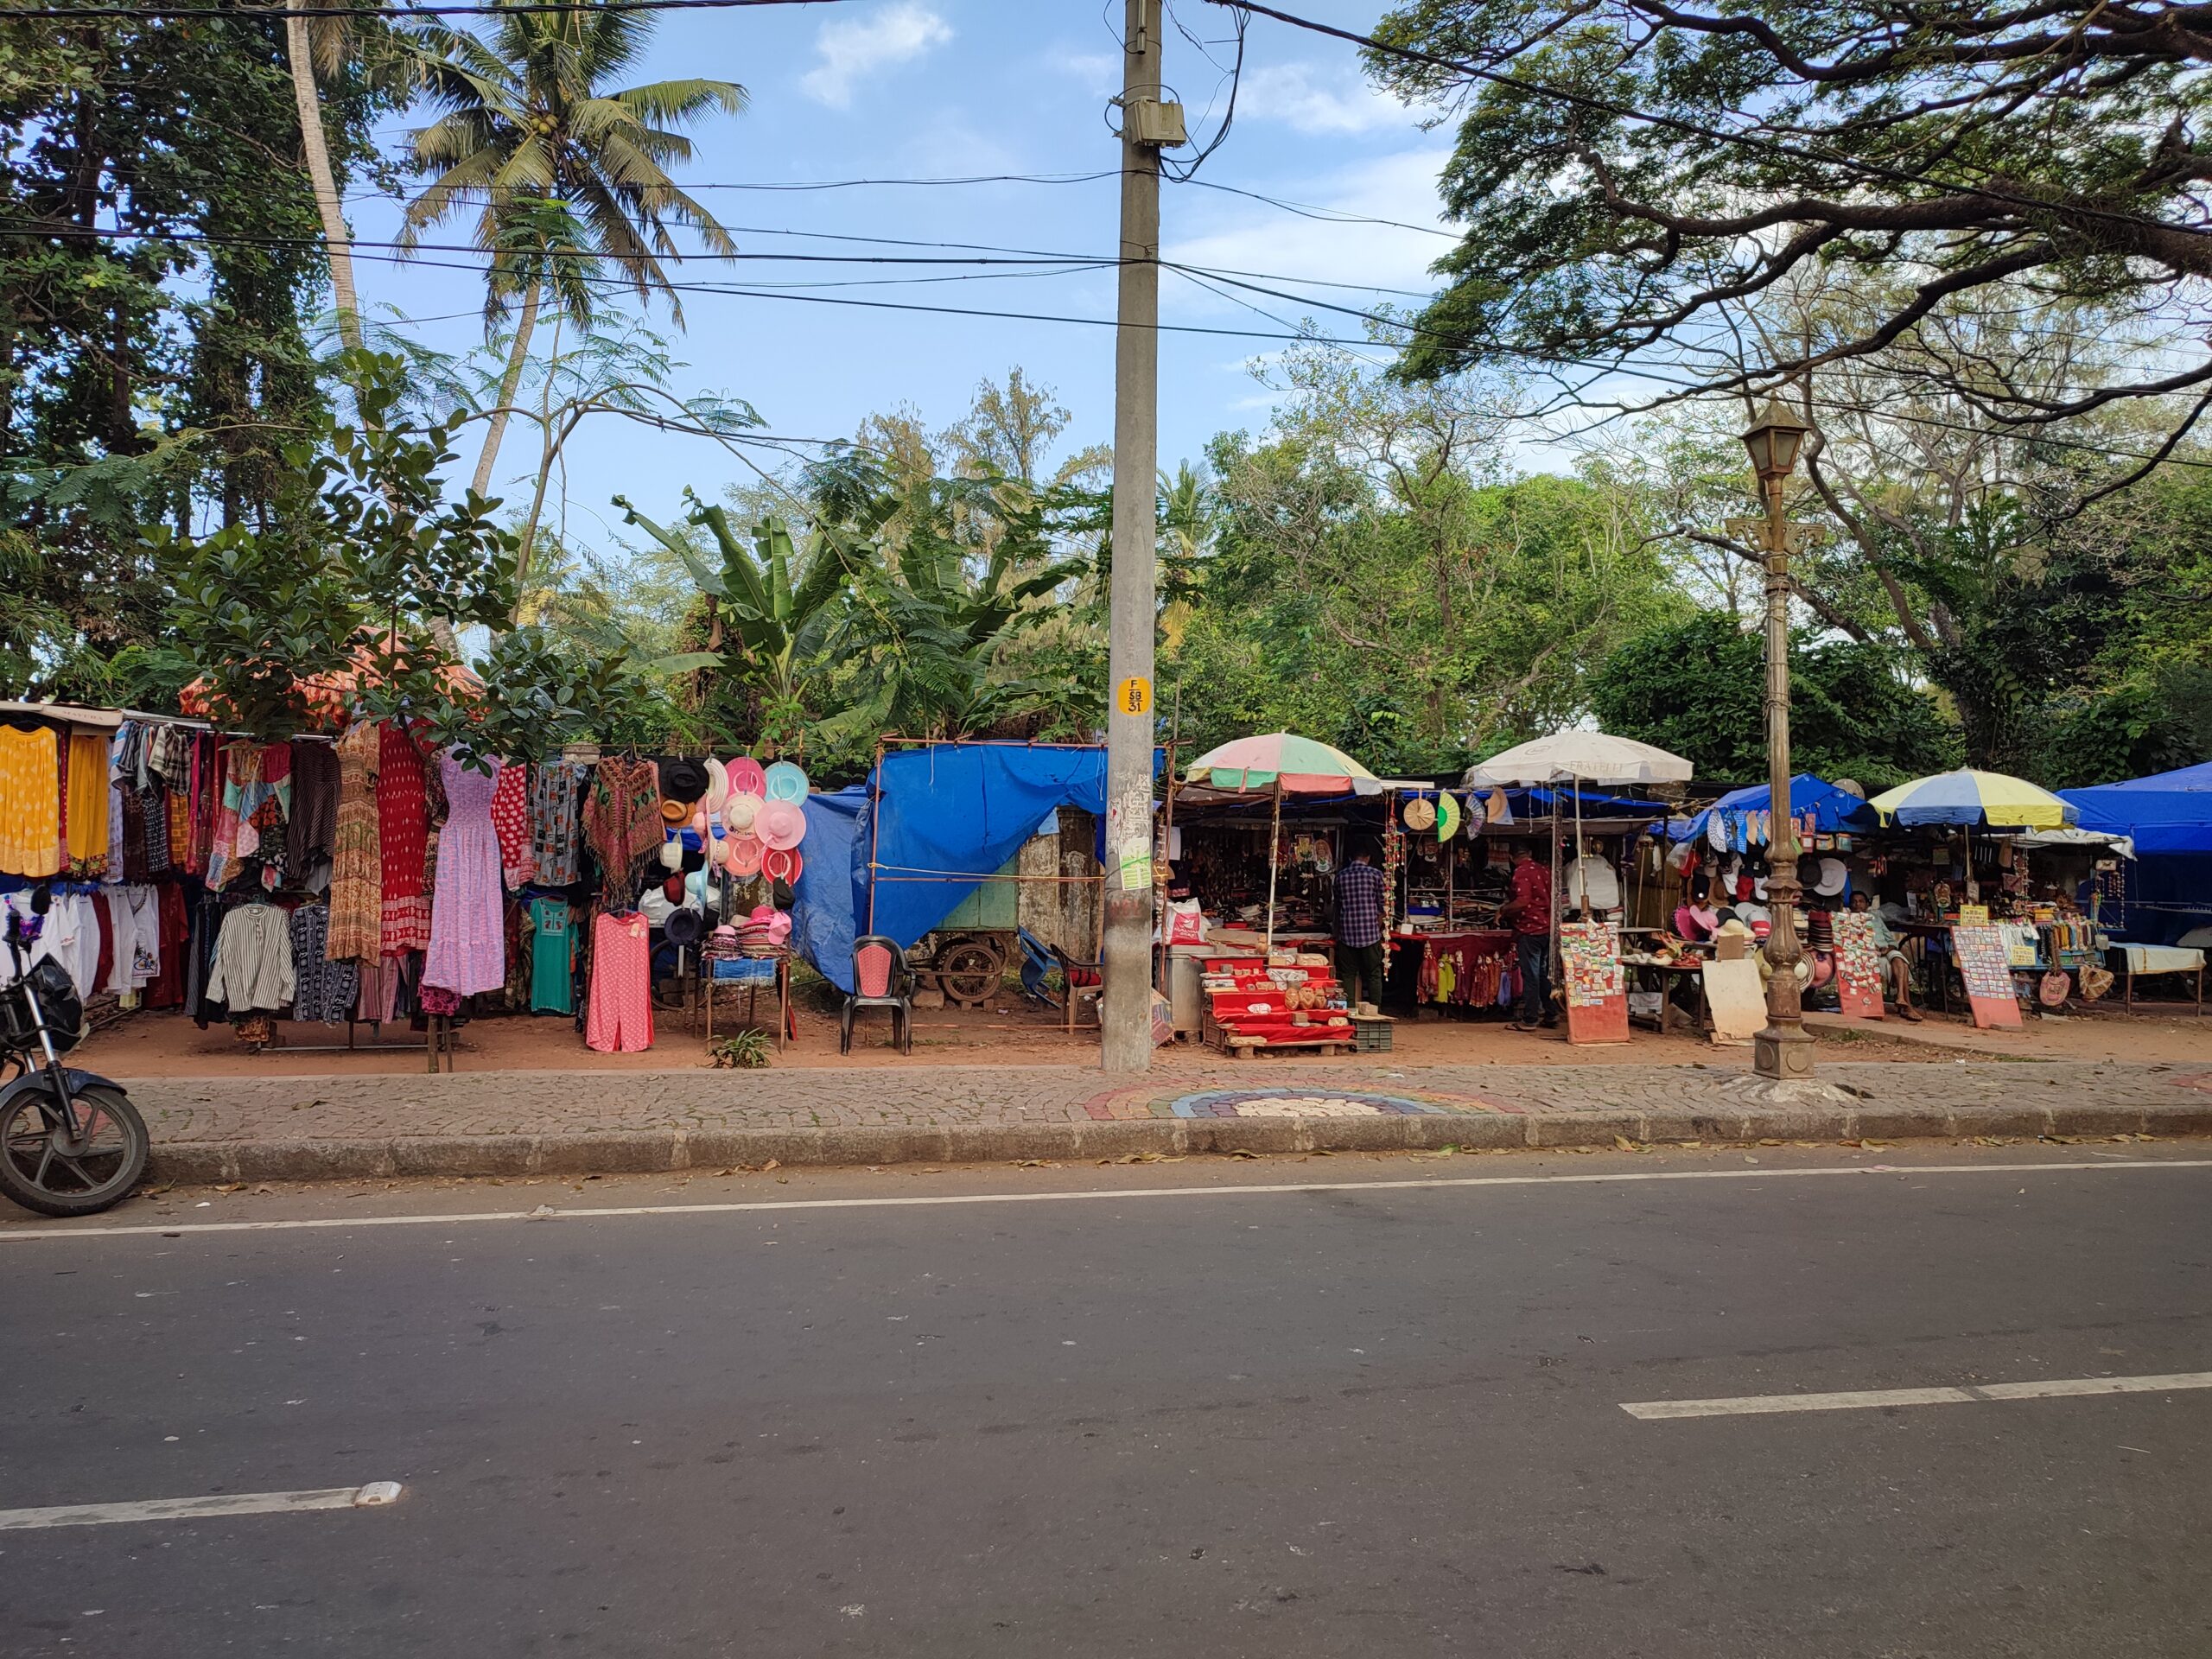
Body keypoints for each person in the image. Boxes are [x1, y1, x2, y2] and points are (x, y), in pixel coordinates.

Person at [1499, 845, 1555, 1031]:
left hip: (1530, 930)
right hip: (1548, 929)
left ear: (1511, 857)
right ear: (1529, 853)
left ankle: (1530, 1018)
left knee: (1531, 975)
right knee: (1543, 974)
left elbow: (1522, 901)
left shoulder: (1521, 872)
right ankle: (1551, 1013)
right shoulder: (1544, 870)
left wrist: (1503, 910)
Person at [1332, 844, 1389, 1014]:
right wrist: (1377, 927)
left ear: (1351, 858)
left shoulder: (1340, 877)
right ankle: (1375, 1010)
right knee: (1373, 974)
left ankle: (1349, 1010)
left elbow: (1337, 905)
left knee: (1348, 974)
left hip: (1346, 932)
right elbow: (1383, 906)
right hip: (1370, 933)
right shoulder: (1376, 875)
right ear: (1368, 858)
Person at [1850, 891, 1923, 1020]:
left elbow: (1892, 941)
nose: (1857, 905)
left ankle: (1901, 996)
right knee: (1904, 967)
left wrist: (1888, 948)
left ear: (1867, 904)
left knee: (1898, 957)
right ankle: (1907, 1006)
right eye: (1854, 902)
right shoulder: (1848, 921)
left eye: (1861, 901)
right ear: (1850, 905)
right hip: (1868, 955)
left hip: (1885, 952)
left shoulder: (1876, 918)